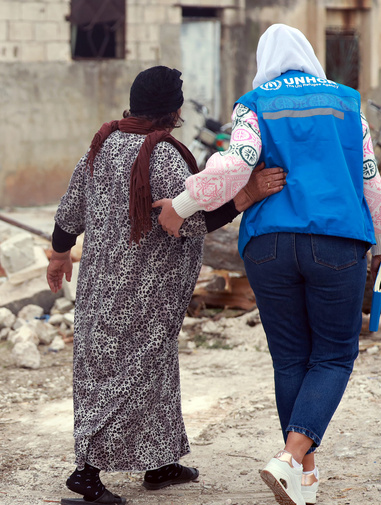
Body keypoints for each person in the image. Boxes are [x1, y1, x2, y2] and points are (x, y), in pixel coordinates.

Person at [156, 24, 381, 505]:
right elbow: (369, 177)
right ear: (309, 54)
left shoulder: (255, 101)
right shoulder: (348, 102)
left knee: (290, 358)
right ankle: (289, 459)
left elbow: (235, 163)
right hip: (336, 242)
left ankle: (303, 477)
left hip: (268, 246)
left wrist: (179, 206)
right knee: (332, 356)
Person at [46, 65, 286, 505]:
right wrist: (247, 196)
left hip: (102, 287)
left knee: (147, 369)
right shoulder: (163, 155)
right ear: (173, 110)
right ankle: (86, 473)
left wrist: (60, 253)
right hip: (145, 291)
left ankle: (160, 461)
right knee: (131, 372)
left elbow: (70, 208)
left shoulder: (103, 144)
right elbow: (189, 221)